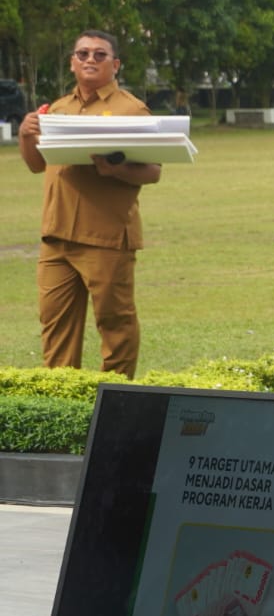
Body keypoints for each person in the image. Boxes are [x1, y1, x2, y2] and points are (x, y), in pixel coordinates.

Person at [18, 30, 160, 378]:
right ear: (72, 62)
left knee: (115, 323)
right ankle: (64, 398)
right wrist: (26, 135)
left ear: (116, 64)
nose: (90, 60)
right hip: (57, 236)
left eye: (99, 54)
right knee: (55, 326)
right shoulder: (58, 109)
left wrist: (116, 169)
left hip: (106, 236)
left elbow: (153, 171)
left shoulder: (132, 110)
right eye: (82, 54)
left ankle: (115, 397)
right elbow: (37, 164)